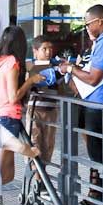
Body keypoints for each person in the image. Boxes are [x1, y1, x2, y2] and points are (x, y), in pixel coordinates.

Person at [58, 4, 103, 202]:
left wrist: (71, 69)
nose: (86, 28)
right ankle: (96, 194)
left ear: (100, 21)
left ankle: (100, 196)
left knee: (98, 153)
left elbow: (93, 78)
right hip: (94, 103)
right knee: (95, 151)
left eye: (88, 24)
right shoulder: (101, 42)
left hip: (102, 105)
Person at [0, 25, 43, 180]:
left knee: (8, 174)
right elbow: (13, 96)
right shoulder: (12, 62)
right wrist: (31, 80)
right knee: (0, 174)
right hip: (8, 119)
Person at [28, 36, 63, 174]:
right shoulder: (31, 66)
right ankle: (36, 176)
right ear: (35, 51)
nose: (48, 52)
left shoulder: (55, 67)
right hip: (35, 110)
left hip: (51, 110)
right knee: (34, 141)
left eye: (50, 49)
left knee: (48, 144)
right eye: (44, 49)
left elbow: (60, 88)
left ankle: (42, 175)